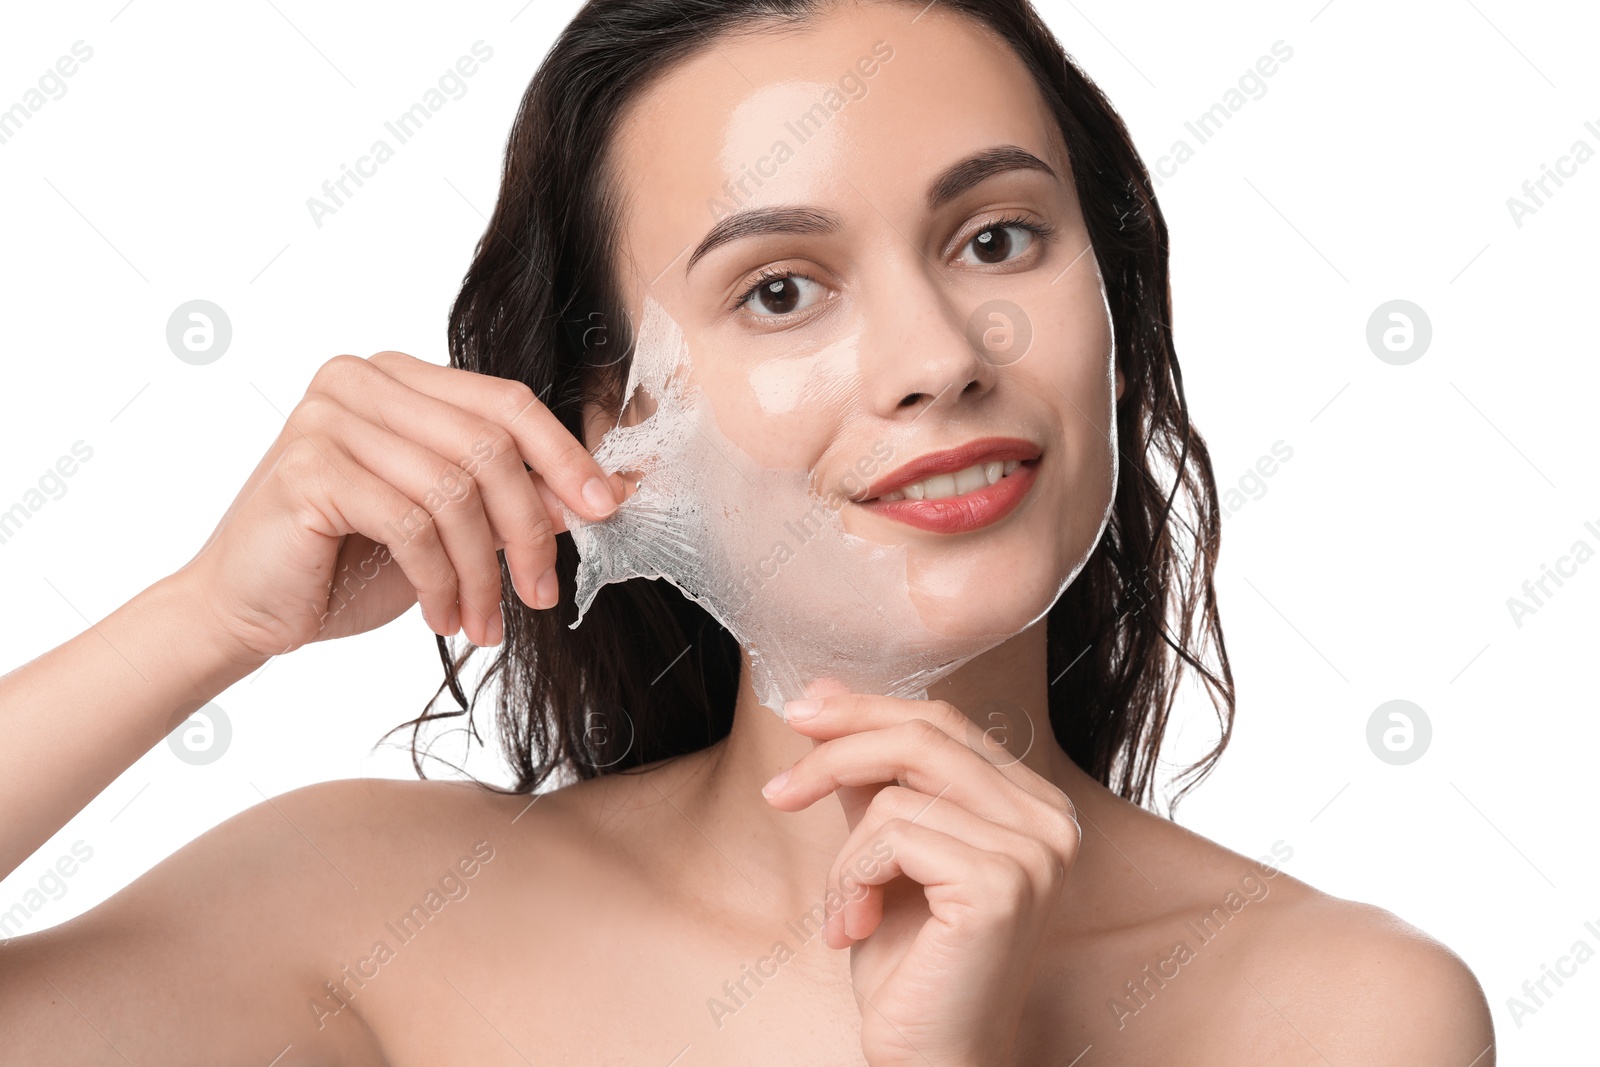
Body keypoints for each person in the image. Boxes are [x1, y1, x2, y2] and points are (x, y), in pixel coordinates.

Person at [0, 0, 1495, 1063]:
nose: (936, 354)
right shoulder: (361, 908)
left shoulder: (1337, 1014)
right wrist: (209, 619)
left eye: (996, 239)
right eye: (780, 288)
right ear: (605, 427)